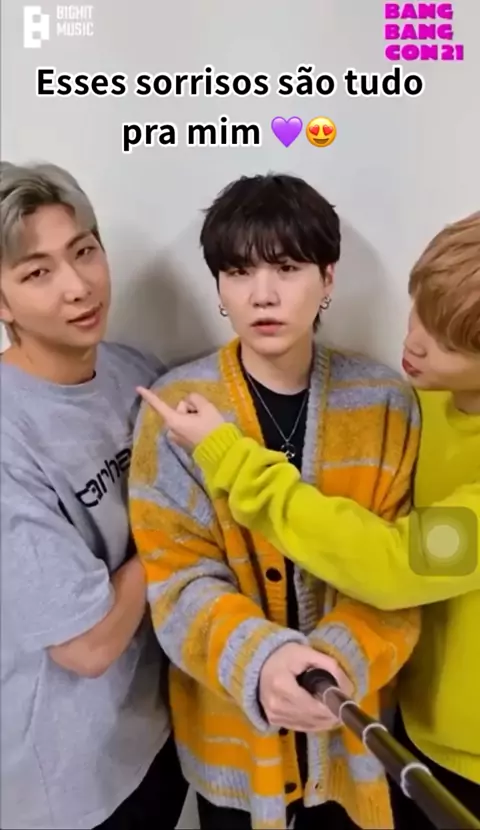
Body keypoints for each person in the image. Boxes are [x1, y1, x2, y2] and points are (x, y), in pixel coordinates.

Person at [137, 210, 480, 826]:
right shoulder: (421, 402)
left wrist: (229, 459)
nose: (414, 342)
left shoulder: (385, 404)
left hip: (433, 752)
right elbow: (177, 575)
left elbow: (394, 566)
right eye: (419, 311)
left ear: (328, 278)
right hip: (379, 734)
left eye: (449, 341)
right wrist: (259, 660)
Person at [0, 161, 188, 830]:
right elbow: (85, 647)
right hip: (68, 786)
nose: (78, 287)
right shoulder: (9, 436)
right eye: (37, 273)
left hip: (155, 737)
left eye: (84, 251)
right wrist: (176, 536)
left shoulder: (133, 371)